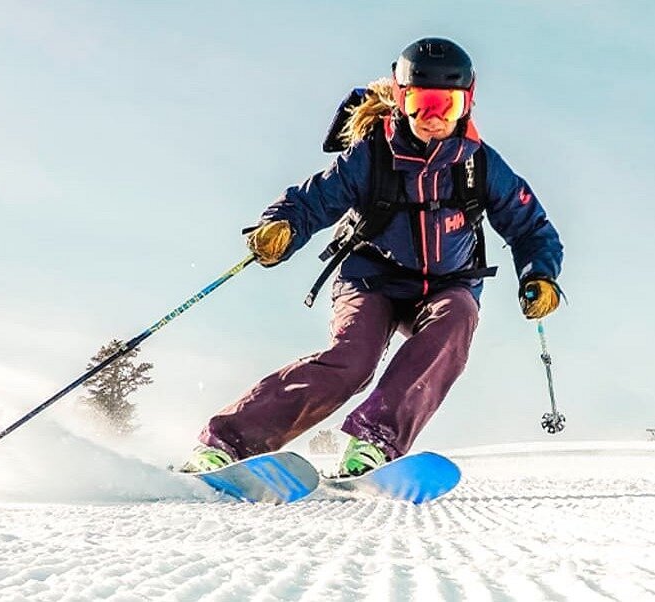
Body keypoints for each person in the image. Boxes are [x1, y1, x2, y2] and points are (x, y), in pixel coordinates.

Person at [181, 37, 564, 476]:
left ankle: (375, 443)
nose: (434, 118)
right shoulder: (372, 156)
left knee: (457, 316)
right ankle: (228, 443)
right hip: (372, 278)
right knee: (352, 361)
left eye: (448, 105)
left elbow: (531, 226)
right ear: (401, 100)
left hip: (445, 285)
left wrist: (540, 276)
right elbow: (313, 200)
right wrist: (281, 227)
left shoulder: (480, 166)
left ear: (468, 103)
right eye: (422, 103)